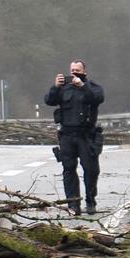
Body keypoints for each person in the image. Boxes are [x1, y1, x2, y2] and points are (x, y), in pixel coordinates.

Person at [44, 59, 105, 215]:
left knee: (91, 170)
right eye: (72, 70)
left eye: (77, 70)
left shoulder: (93, 88)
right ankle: (73, 204)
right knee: (68, 169)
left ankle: (90, 201)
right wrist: (55, 86)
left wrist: (82, 86)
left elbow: (96, 99)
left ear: (84, 72)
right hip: (67, 135)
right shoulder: (64, 89)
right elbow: (49, 101)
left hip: (86, 135)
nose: (74, 73)